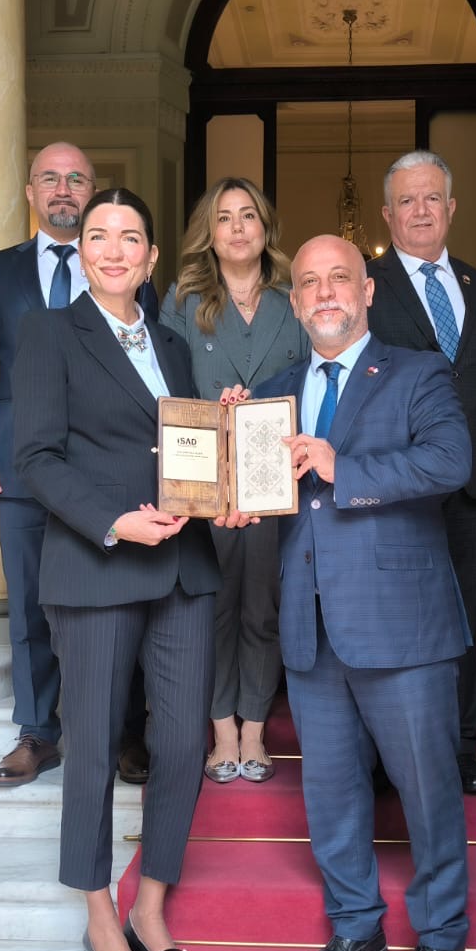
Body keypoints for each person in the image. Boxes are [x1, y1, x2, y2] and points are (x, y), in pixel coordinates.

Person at [250, 234, 473, 951]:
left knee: (427, 791)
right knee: (331, 792)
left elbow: (450, 462)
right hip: (310, 626)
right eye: (309, 282)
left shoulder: (418, 371)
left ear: (367, 290)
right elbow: (263, 495)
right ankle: (356, 928)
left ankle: (442, 939)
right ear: (293, 301)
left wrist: (343, 467)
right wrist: (230, 481)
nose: (324, 293)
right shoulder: (273, 392)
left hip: (402, 625)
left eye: (339, 277)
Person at [12, 188, 220, 951]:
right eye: (98, 236)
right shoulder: (48, 333)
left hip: (182, 567)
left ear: (152, 256)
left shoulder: (172, 343)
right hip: (95, 566)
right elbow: (36, 456)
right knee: (94, 746)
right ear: (81, 250)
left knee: (183, 744)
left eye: (130, 237)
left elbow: (187, 450)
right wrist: (112, 521)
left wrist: (229, 456)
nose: (112, 249)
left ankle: (152, 906)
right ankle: (100, 916)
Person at [0, 143, 157, 789]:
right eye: (50, 178)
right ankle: (38, 732)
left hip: (108, 471)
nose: (63, 189)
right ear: (30, 191)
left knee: (125, 597)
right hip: (19, 467)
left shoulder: (127, 272)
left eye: (76, 179)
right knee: (30, 606)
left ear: (92, 191)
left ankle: (127, 730)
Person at [160, 178, 307, 784]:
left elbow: (313, 378)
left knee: (263, 608)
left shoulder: (294, 297)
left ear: (265, 227)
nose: (238, 227)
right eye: (225, 218)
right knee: (213, 607)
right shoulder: (182, 299)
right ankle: (222, 730)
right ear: (210, 232)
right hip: (206, 483)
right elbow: (164, 385)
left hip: (276, 478)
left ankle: (254, 729)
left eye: (249, 215)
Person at [367, 150, 476, 796]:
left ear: (450, 208)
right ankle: (388, 757)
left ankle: (460, 748)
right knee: (396, 621)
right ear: (387, 213)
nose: (420, 211)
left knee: (463, 622)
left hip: (472, 485)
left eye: (431, 199)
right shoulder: (366, 285)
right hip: (399, 484)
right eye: (407, 201)